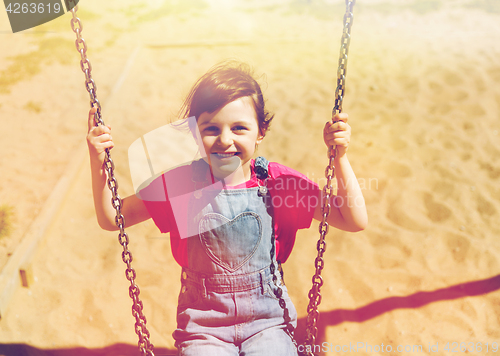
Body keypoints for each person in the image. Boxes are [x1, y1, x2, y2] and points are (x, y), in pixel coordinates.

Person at [86, 61, 367, 356]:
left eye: (239, 128)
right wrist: (97, 159)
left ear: (261, 131)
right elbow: (112, 218)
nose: (225, 140)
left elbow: (353, 219)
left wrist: (341, 158)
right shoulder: (181, 184)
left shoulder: (278, 183)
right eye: (211, 128)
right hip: (204, 328)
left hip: (268, 322)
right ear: (195, 134)